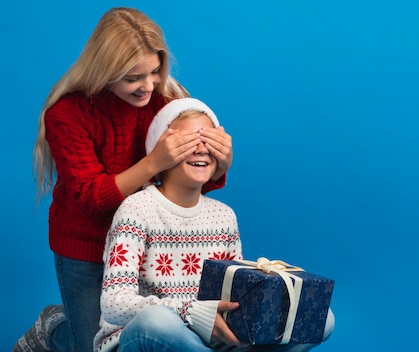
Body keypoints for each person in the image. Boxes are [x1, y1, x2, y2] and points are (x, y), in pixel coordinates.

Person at [13, 7, 233, 352]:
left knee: (142, 334)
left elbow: (189, 179)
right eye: (133, 77)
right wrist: (153, 162)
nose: (148, 85)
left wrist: (220, 164)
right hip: (85, 245)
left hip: (146, 242)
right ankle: (54, 328)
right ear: (105, 71)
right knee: (93, 345)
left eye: (155, 72)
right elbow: (91, 198)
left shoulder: (169, 101)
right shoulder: (67, 114)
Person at [94, 98, 333, 352]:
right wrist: (190, 311)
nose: (201, 150)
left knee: (319, 317)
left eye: (210, 141)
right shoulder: (136, 210)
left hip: (210, 340)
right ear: (161, 150)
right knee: (158, 321)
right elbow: (115, 304)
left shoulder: (224, 216)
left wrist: (269, 295)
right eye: (188, 142)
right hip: (149, 336)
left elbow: (233, 294)